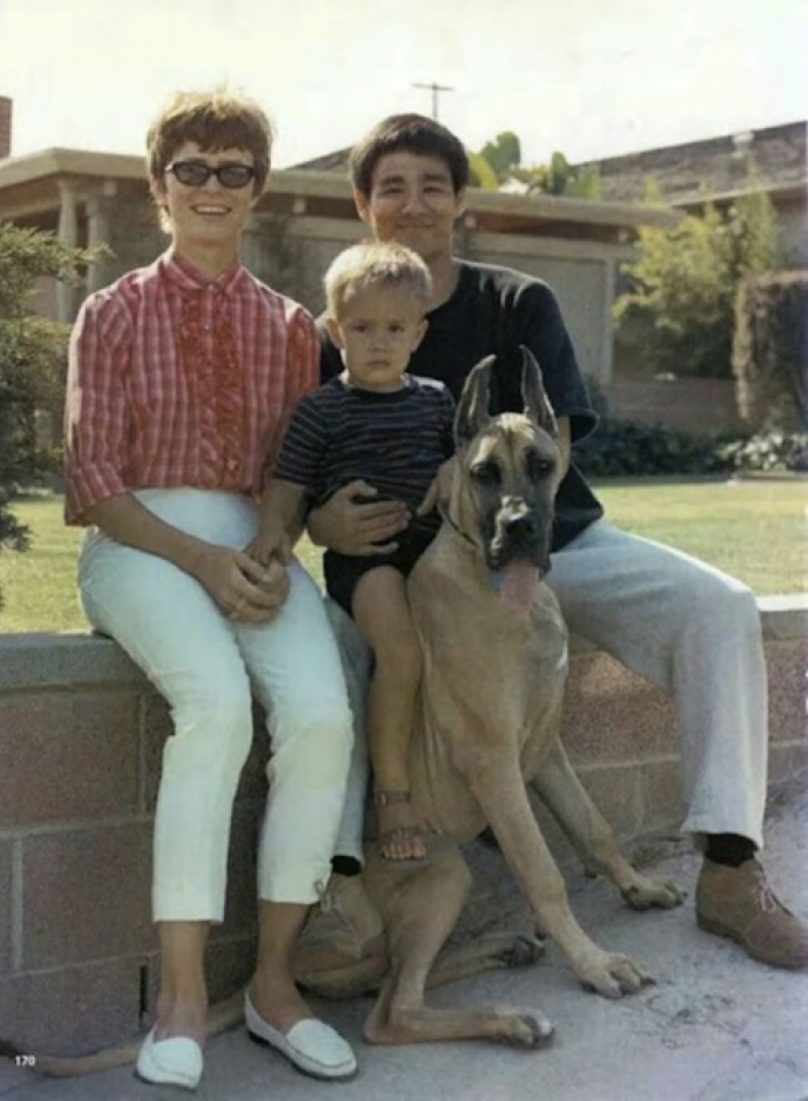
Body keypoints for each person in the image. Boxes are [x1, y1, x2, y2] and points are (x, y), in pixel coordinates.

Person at [308, 112, 808, 972]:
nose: (415, 203)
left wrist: (487, 507)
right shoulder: (335, 326)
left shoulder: (517, 301)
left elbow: (554, 443)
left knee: (718, 608)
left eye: (434, 185)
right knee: (339, 670)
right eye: (392, 186)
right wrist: (321, 523)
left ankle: (729, 865)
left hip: (555, 544)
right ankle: (344, 902)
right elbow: (312, 465)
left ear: (460, 201)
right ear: (363, 204)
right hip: (409, 572)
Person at [64, 89, 358, 1090]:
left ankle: (275, 991)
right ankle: (182, 1000)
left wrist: (269, 549)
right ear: (159, 187)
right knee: (218, 705)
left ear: (258, 191)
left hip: (254, 542)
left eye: (235, 171)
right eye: (191, 168)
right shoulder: (110, 313)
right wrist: (202, 562)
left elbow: (293, 469)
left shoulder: (287, 326)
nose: (212, 188)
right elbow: (95, 481)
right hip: (139, 544)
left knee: (320, 713)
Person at [254, 240, 455, 864]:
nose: (378, 342)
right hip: (366, 562)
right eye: (362, 328)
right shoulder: (322, 409)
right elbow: (287, 486)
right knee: (400, 654)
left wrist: (454, 468)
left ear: (418, 334)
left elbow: (461, 464)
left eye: (394, 328)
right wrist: (269, 541)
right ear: (335, 330)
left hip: (432, 557)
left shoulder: (436, 400)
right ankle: (393, 795)